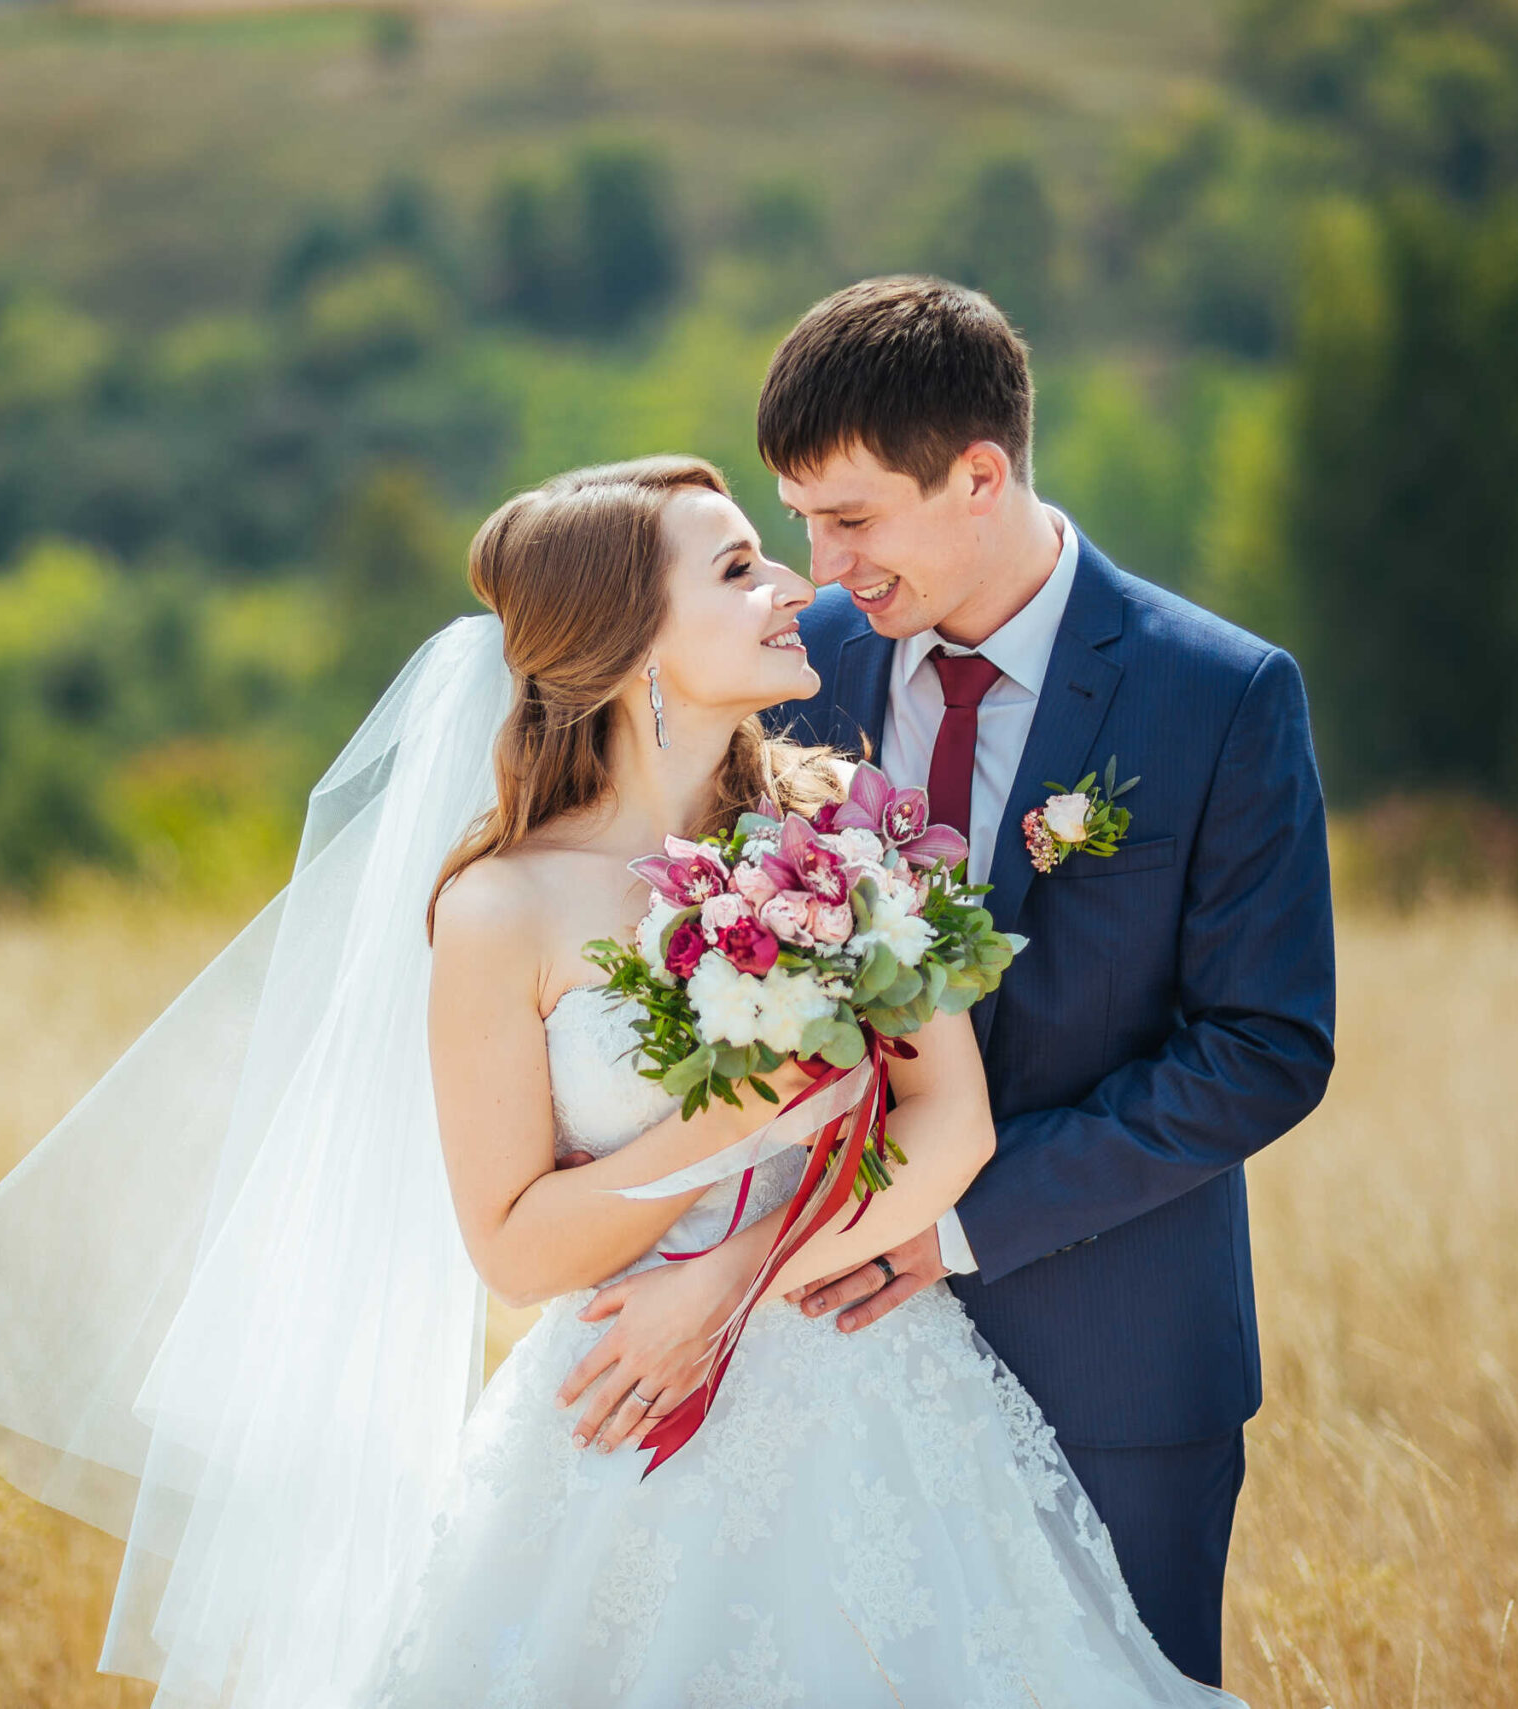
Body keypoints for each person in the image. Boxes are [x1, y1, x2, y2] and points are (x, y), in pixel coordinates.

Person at [0, 451, 1242, 1709]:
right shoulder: (500, 913)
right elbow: (512, 1243)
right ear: (634, 644)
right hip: (622, 1426)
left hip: (874, 1384)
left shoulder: (843, 822)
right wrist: (722, 1119)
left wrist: (738, 1271)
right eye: (739, 568)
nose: (791, 591)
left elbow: (955, 1122)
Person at [565, 277, 1338, 1689]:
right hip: (812, 1387)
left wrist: (961, 1220)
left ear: (979, 475)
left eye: (851, 518)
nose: (819, 562)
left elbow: (1266, 1045)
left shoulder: (1219, 695)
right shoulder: (796, 672)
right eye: (797, 518)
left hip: (1114, 1361)